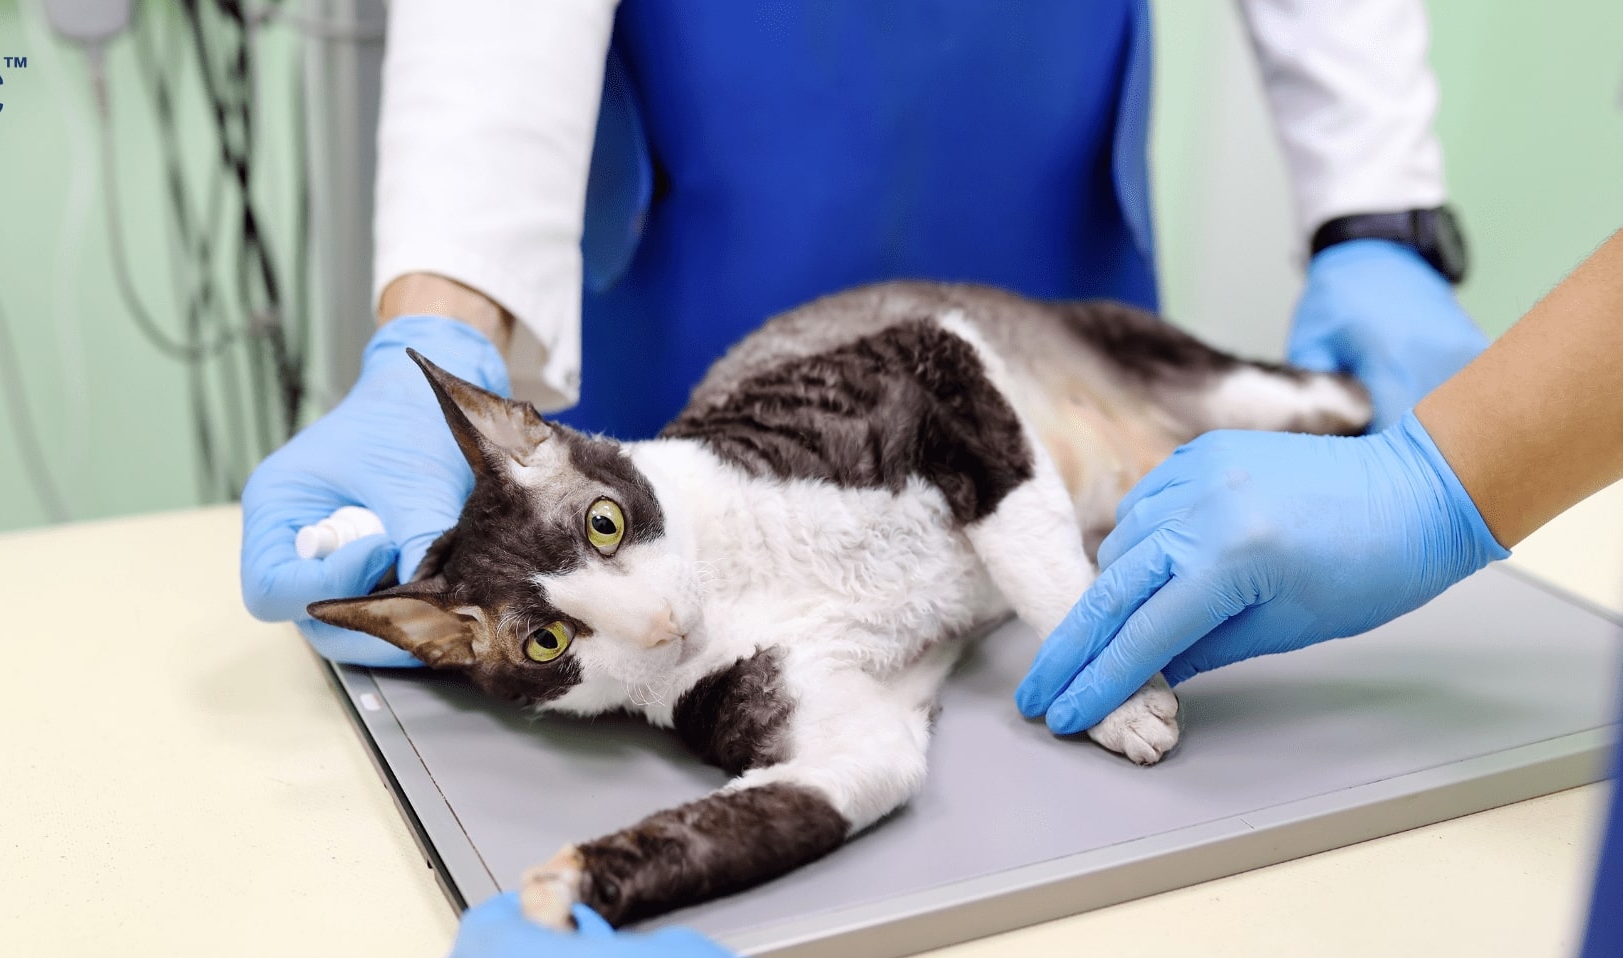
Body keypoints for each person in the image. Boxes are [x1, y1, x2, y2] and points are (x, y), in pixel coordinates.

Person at [333, 230, 1623, 958]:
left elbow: (940, 365)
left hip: (1038, 374)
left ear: (552, 439)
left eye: (606, 530)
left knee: (1287, 401)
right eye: (554, 640)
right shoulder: (707, 697)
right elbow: (868, 763)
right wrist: (605, 878)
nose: (648, 618)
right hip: (1108, 500)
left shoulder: (734, 471)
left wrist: (1433, 457)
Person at [239, 0, 1483, 667]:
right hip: (715, 196)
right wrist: (442, 325)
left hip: (1039, 175)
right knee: (688, 639)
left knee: (1092, 522)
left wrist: (1375, 213)